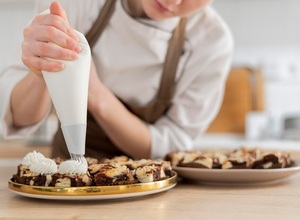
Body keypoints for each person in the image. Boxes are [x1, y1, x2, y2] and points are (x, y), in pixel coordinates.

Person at [0, 0, 233, 160]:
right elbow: (18, 118)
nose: (171, 0)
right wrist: (45, 69)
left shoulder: (211, 42)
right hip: (65, 182)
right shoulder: (78, 4)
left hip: (150, 192)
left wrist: (96, 95)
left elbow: (172, 147)